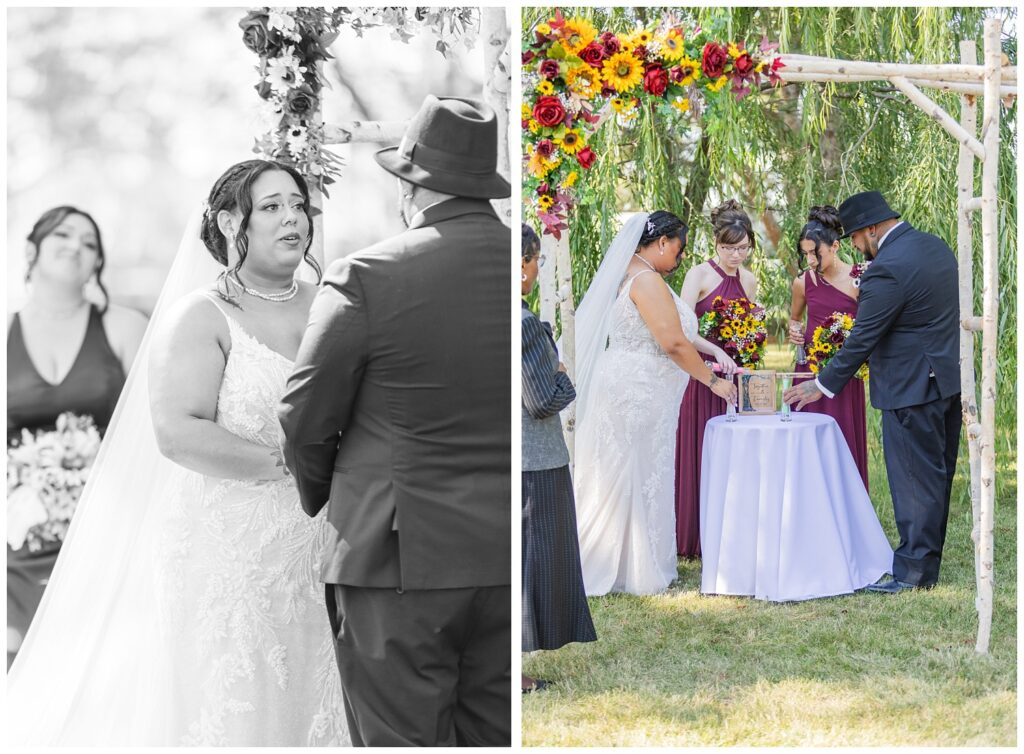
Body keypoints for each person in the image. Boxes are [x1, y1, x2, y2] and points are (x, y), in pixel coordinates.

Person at [7, 160, 349, 746]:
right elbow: (178, 433)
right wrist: (301, 472)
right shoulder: (200, 315)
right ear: (228, 220)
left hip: (324, 546)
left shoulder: (334, 306)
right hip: (230, 557)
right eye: (271, 207)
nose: (292, 217)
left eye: (298, 205)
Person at [279, 95, 512, 747]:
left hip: (397, 559)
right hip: (503, 560)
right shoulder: (519, 272)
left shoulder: (367, 276)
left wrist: (332, 499)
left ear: (412, 186)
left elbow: (304, 415)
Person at [785, 191, 962, 593]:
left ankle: (914, 572)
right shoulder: (935, 247)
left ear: (869, 230)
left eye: (855, 239)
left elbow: (863, 336)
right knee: (936, 474)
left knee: (914, 480)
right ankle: (925, 560)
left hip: (909, 386)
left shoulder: (886, 268)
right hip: (945, 379)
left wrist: (822, 384)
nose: (856, 248)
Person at [7, 206, 147, 665]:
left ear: (96, 265)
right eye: (64, 235)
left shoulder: (123, 327)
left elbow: (149, 431)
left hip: (110, 525)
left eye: (90, 243)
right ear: (31, 250)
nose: (77, 246)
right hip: (22, 537)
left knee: (103, 660)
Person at [573, 211, 737, 597]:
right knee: (632, 470)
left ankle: (626, 562)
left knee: (632, 470)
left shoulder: (631, 274)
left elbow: (677, 333)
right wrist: (712, 381)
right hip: (638, 390)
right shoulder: (646, 280)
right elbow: (673, 342)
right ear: (662, 243)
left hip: (636, 387)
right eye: (678, 251)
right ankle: (619, 567)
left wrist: (711, 349)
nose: (680, 261)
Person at [520, 223, 595, 695]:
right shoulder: (524, 323)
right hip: (536, 461)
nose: (535, 269)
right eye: (535, 260)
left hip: (515, 460)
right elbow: (542, 399)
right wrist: (564, 376)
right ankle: (516, 671)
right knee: (535, 563)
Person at [673, 200, 754, 558]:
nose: (736, 255)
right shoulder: (699, 275)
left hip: (732, 378)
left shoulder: (749, 280)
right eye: (729, 248)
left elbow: (748, 333)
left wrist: (745, 351)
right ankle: (693, 534)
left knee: (732, 455)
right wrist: (716, 351)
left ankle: (729, 529)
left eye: (743, 248)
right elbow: (683, 330)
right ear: (716, 243)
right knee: (699, 449)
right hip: (702, 376)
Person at [788, 206, 870, 489]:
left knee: (843, 438)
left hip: (844, 375)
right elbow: (795, 319)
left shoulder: (859, 280)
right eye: (806, 253)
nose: (810, 260)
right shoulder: (802, 283)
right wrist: (794, 331)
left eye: (816, 253)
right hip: (808, 371)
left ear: (835, 246)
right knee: (808, 443)